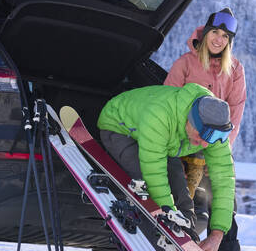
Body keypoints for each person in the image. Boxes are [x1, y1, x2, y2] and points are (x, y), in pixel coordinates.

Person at [97, 83, 236, 251]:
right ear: (190, 121)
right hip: (119, 126)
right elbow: (154, 175)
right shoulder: (160, 115)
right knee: (146, 189)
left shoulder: (214, 130)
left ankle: (187, 239)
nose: (205, 144)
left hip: (165, 142)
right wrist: (167, 215)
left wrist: (217, 234)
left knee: (181, 194)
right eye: (202, 135)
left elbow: (224, 180)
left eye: (212, 138)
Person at [164, 8, 246, 250]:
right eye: (216, 32)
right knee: (181, 204)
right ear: (207, 31)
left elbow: (235, 112)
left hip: (215, 147)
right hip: (183, 144)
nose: (218, 39)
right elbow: (168, 104)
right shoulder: (185, 63)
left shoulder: (235, 70)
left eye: (225, 37)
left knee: (224, 205)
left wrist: (220, 149)